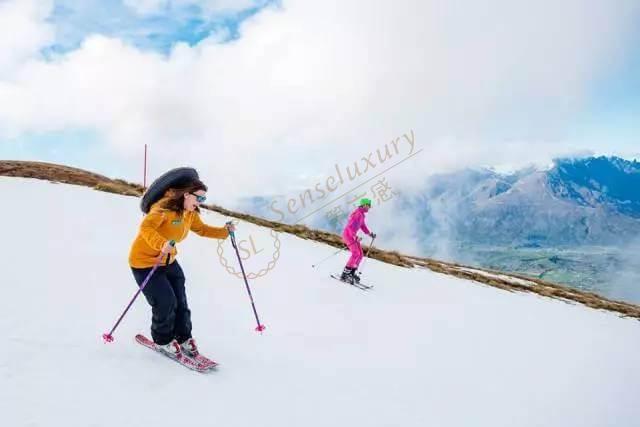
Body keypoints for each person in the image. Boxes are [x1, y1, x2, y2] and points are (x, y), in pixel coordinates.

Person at [128, 178, 234, 357]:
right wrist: (161, 243)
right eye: (199, 198)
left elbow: (203, 230)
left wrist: (225, 231)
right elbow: (146, 227)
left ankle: (184, 337)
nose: (201, 203)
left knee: (181, 301)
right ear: (186, 194)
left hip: (168, 261)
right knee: (166, 302)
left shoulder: (189, 214)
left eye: (203, 200)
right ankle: (163, 340)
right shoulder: (163, 209)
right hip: (145, 263)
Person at [341, 198, 376, 283]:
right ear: (363, 205)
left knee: (360, 254)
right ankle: (345, 275)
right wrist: (355, 236)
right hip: (348, 235)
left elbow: (363, 226)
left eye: (369, 206)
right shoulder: (357, 214)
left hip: (353, 236)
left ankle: (352, 273)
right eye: (368, 206)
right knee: (355, 253)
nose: (369, 208)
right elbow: (350, 227)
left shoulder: (362, 215)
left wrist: (369, 234)